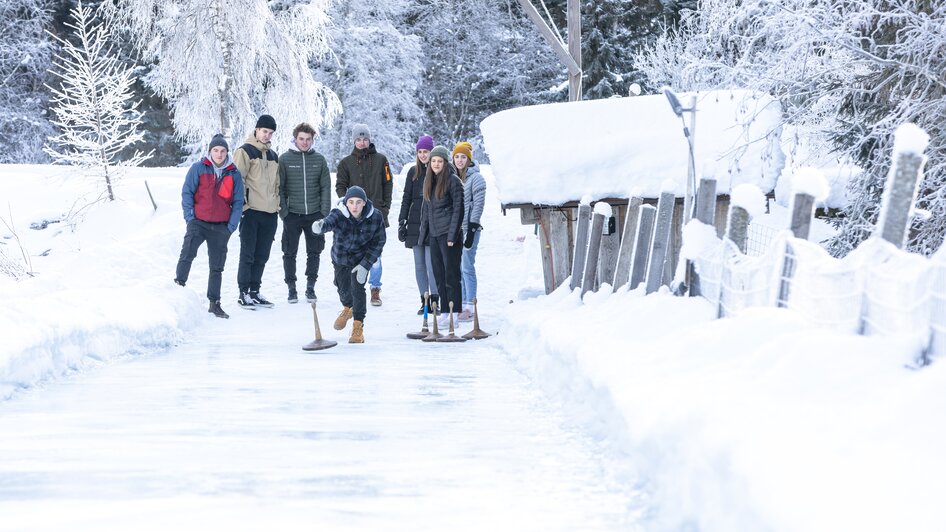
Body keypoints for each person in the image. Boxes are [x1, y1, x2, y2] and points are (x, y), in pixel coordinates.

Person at [174, 134, 244, 319]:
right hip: (198, 223)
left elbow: (238, 202)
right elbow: (187, 192)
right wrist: (189, 217)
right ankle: (177, 290)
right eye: (216, 150)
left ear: (227, 152)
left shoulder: (234, 173)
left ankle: (215, 304)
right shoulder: (198, 168)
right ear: (210, 151)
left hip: (221, 227)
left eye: (222, 151)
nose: (219, 154)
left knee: (216, 267)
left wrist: (231, 226)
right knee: (187, 255)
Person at [311, 186, 386, 343]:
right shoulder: (339, 213)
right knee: (342, 287)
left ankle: (358, 327)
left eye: (359, 202)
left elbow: (379, 242)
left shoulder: (376, 216)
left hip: (361, 259)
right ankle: (347, 308)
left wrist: (366, 265)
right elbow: (329, 222)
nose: (355, 206)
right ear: (346, 203)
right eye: (351, 202)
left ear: (364, 203)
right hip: (341, 258)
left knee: (357, 288)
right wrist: (321, 226)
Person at [335, 123, 393, 307]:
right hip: (353, 220)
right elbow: (340, 187)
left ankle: (375, 289)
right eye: (358, 139)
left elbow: (388, 185)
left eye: (365, 139)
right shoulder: (346, 163)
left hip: (376, 218)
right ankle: (353, 287)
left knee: (375, 256)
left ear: (369, 140)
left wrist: (384, 209)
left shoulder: (381, 160)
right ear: (354, 141)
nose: (362, 142)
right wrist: (348, 208)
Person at [278, 122, 331, 304]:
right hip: (292, 214)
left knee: (314, 252)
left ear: (312, 140)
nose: (305, 142)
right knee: (289, 252)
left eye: (308, 139)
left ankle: (310, 287)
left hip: (314, 214)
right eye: (301, 139)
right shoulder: (284, 160)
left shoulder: (319, 160)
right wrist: (284, 212)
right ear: (295, 139)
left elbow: (326, 187)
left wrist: (324, 212)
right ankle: (291, 288)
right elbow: (280, 188)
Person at [234, 114, 280, 310]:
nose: (267, 136)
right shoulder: (245, 151)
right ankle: (243, 292)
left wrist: (277, 206)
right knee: (248, 253)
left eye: (270, 133)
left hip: (270, 213)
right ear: (256, 130)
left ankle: (255, 291)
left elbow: (277, 184)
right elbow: (237, 181)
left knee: (262, 254)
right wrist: (243, 207)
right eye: (264, 131)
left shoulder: (273, 155)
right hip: (251, 212)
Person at [418, 145, 464, 326]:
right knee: (439, 275)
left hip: (449, 235)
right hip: (435, 235)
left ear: (445, 163)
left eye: (439, 161)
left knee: (451, 275)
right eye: (433, 161)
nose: (436, 164)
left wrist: (452, 235)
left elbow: (458, 210)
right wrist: (423, 236)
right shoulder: (430, 181)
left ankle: (454, 312)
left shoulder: (453, 181)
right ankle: (445, 310)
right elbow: (426, 211)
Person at [398, 134, 439, 315]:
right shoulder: (413, 173)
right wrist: (402, 221)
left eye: (426, 151)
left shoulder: (438, 171)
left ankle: (436, 300)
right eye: (420, 152)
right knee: (419, 265)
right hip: (415, 224)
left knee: (432, 265)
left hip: (433, 224)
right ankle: (424, 300)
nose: (423, 155)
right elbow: (406, 199)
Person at [452, 141, 486, 322]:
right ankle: (462, 303)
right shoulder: (453, 177)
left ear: (469, 159)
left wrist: (472, 229)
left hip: (470, 229)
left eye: (463, 157)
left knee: (467, 266)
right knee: (458, 267)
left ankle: (470, 305)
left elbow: (478, 205)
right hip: (455, 230)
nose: (459, 160)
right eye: (456, 156)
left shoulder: (476, 178)